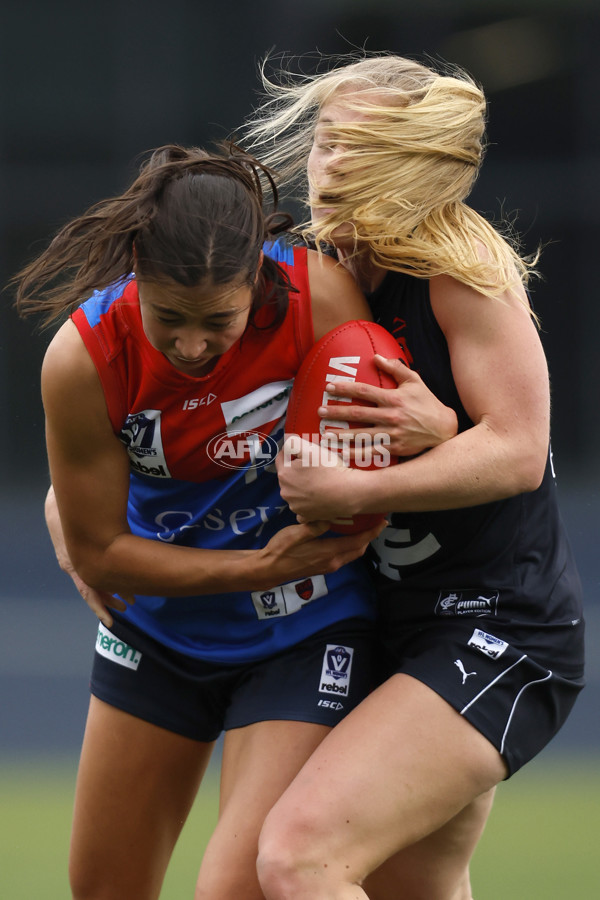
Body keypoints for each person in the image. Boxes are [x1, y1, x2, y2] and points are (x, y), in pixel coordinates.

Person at [12, 142, 399, 900]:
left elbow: (378, 458)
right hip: (156, 632)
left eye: (217, 319)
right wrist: (257, 567)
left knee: (236, 888)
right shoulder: (81, 359)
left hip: (306, 627)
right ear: (135, 278)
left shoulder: (323, 301)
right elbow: (98, 555)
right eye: (169, 318)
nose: (192, 345)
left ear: (257, 278)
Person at [241, 53, 586, 899]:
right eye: (324, 142)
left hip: (494, 631)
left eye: (360, 148)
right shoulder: (311, 270)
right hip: (385, 622)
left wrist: (364, 489)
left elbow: (515, 449)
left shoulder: (463, 274)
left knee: (300, 858)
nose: (330, 165)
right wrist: (85, 481)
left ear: (414, 163)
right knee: (415, 887)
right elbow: (184, 377)